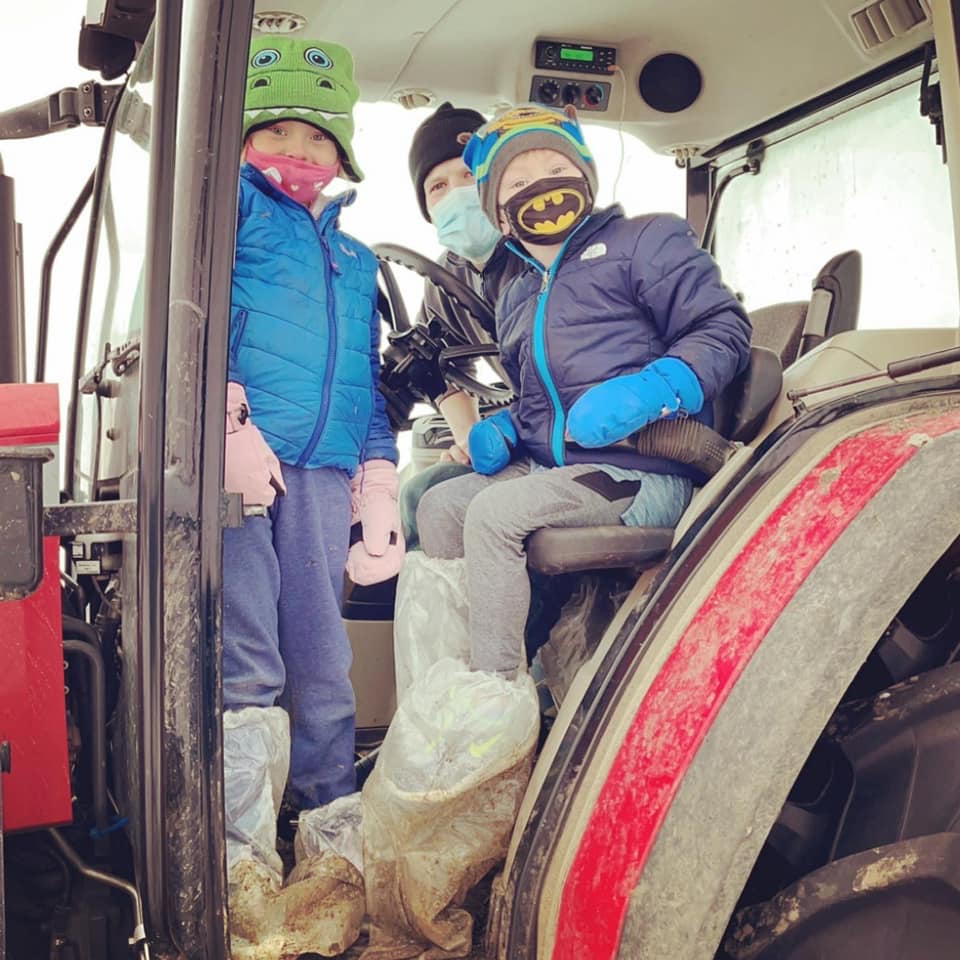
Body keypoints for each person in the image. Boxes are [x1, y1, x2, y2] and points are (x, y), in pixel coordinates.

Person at [416, 104, 752, 678]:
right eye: (518, 182)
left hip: (641, 468)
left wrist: (654, 389)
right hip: (558, 470)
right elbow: (533, 399)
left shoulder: (646, 239)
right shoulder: (517, 293)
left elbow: (723, 328)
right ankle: (448, 683)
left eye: (554, 168)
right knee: (438, 505)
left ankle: (493, 697)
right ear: (497, 208)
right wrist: (506, 428)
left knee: (494, 514)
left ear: (585, 177)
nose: (540, 187)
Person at [221, 34, 401, 917]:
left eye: (318, 137)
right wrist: (226, 421)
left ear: (342, 153)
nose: (299, 151)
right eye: (279, 130)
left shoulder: (356, 259)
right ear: (245, 137)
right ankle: (238, 861)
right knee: (247, 660)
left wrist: (377, 477)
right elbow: (191, 322)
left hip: (324, 473)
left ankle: (331, 852)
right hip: (240, 467)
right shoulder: (226, 217)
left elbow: (364, 379)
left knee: (324, 660)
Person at [399, 101, 524, 548]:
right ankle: (435, 616)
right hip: (524, 429)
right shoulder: (448, 273)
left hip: (571, 433)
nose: (457, 193)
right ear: (428, 208)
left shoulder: (541, 253)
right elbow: (434, 365)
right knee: (417, 488)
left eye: (470, 177)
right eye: (438, 187)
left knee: (439, 500)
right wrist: (470, 439)